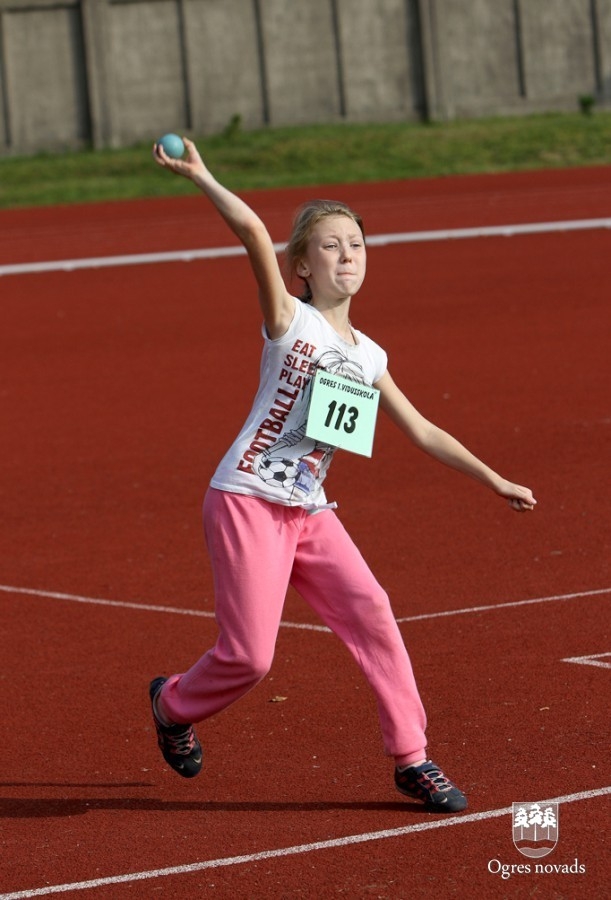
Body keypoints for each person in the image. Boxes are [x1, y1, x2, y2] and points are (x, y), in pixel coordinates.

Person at [148, 137, 536, 813]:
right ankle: (173, 704)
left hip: (308, 509)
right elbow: (249, 232)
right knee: (249, 658)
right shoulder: (287, 321)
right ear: (300, 263)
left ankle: (411, 757)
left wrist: (492, 478)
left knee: (373, 612)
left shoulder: (368, 354)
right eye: (328, 245)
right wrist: (202, 175)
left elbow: (421, 431)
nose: (345, 254)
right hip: (246, 499)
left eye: (354, 243)